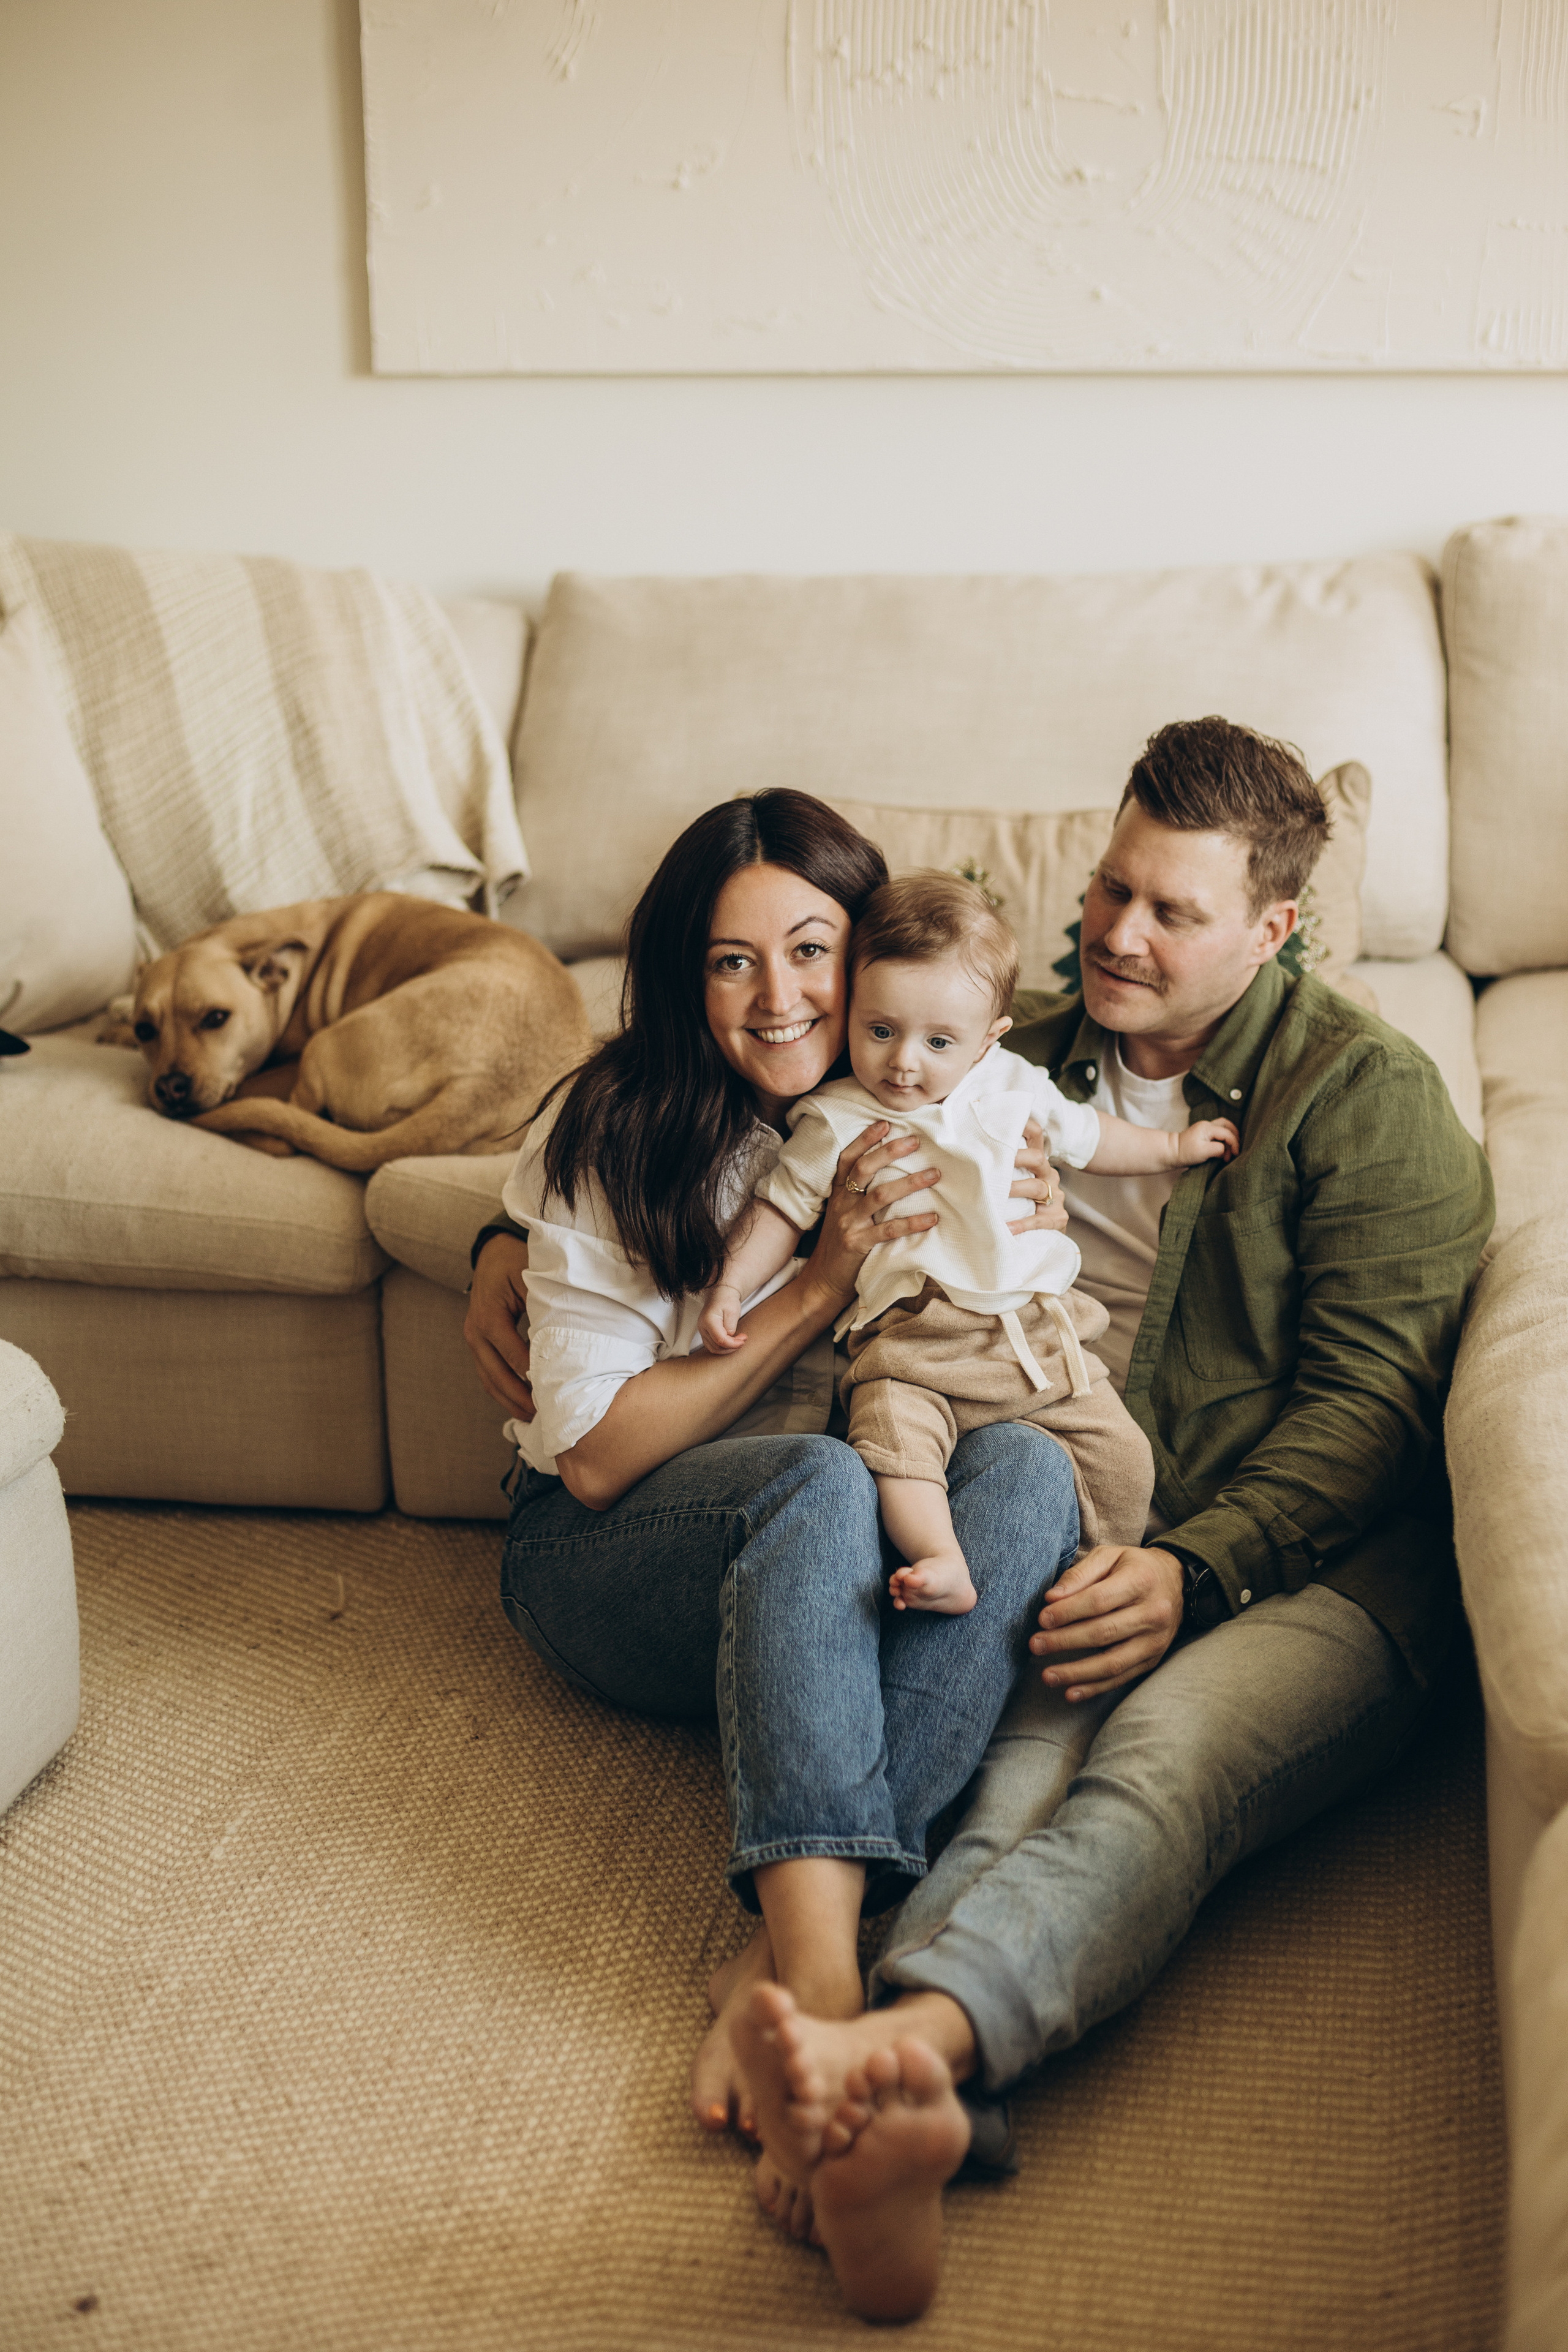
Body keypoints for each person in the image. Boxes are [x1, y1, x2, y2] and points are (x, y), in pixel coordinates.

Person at [728, 717, 1496, 2323]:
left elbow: (1368, 1412)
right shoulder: (998, 1053)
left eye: (1172, 911)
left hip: (1310, 1564)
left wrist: (1191, 1572)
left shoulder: (1367, 1098)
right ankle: (908, 2115)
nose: (1119, 934)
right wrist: (512, 1245)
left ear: (1273, 928)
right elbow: (745, 1124)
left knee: (1161, 1765)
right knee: (1003, 1784)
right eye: (1107, 889)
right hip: (1085, 1517)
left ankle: (898, 2052)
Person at [461, 786, 1080, 2213]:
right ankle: (829, 1995)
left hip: (830, 1571)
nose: (781, 997)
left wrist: (1039, 1212)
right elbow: (595, 1459)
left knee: (1028, 1469)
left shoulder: (940, 1089)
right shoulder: (617, 1126)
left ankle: (781, 1966)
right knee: (814, 1474)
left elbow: (1056, 1182)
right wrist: (813, 1283)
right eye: (730, 962)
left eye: (812, 951)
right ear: (684, 981)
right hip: (613, 1548)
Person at [699, 869, 1238, 1613]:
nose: (903, 1061)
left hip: (1031, 1338)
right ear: (852, 1009)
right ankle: (938, 1558)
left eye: (938, 1041)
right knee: (892, 1446)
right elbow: (779, 1210)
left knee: (1123, 1458)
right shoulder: (837, 1116)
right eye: (880, 1031)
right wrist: (729, 1285)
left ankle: (1093, 1577)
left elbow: (1090, 1136)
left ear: (988, 1041)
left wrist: (1173, 1146)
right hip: (911, 1341)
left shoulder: (1013, 1086)